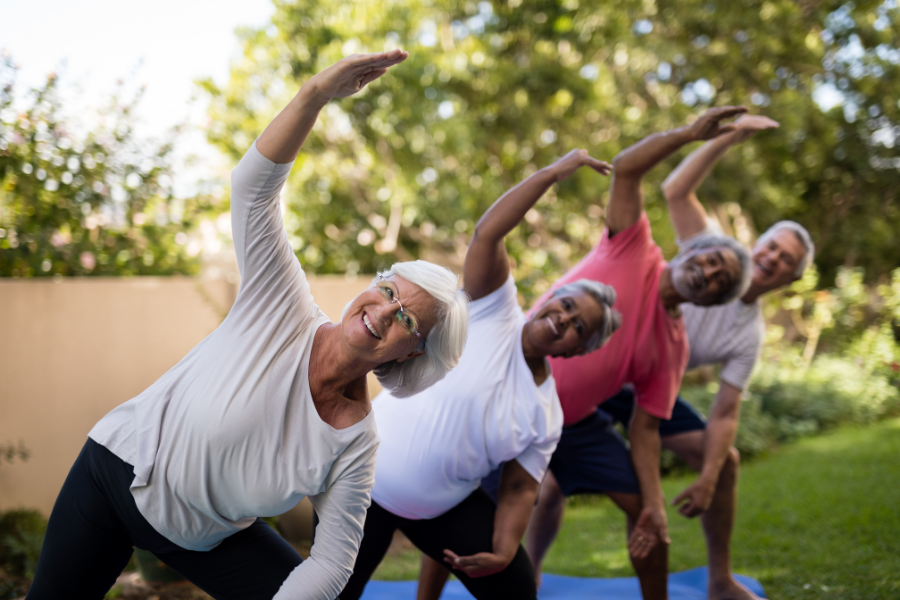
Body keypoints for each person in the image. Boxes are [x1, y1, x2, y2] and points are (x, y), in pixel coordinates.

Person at [26, 50, 470, 600]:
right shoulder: (281, 303)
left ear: (412, 354)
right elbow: (253, 192)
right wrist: (314, 95)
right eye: (387, 290)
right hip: (114, 477)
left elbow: (332, 564)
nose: (382, 311)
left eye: (405, 318)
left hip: (206, 539)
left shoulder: (356, 441)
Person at [338, 149, 620, 600]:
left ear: (579, 349)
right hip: (360, 482)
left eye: (579, 328)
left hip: (440, 510)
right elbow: (489, 232)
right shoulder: (493, 309)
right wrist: (552, 173)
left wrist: (506, 550)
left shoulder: (546, 414)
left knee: (516, 588)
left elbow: (519, 488)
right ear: (551, 298)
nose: (565, 320)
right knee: (330, 591)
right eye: (567, 305)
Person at [525, 107, 754, 600]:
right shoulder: (633, 246)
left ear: (709, 300)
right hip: (511, 397)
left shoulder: (673, 346)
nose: (709, 274)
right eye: (710, 261)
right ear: (690, 251)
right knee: (501, 503)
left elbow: (646, 429)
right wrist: (690, 134)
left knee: (646, 513)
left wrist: (655, 504)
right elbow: (628, 167)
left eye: (718, 282)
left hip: (577, 423)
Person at [599, 113, 814, 600]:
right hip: (600, 370)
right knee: (547, 486)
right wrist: (730, 136)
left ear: (791, 279)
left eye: (786, 261)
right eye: (772, 246)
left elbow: (726, 412)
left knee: (729, 462)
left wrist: (710, 476)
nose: (773, 258)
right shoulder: (715, 252)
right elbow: (676, 189)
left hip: (652, 391)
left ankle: (720, 579)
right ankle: (537, 575)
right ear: (758, 243)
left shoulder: (749, 335)